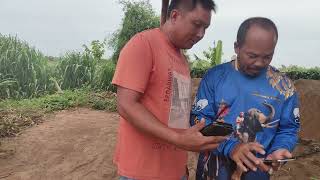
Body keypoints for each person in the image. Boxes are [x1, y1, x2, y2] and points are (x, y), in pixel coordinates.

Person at [112, 0, 228, 179]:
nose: (201, 34)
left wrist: (181, 165)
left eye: (205, 28)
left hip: (174, 172)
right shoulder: (142, 44)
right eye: (197, 25)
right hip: (142, 173)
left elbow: (176, 115)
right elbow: (125, 105)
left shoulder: (182, 59)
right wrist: (178, 139)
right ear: (174, 15)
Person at [190, 17, 300, 180]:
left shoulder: (284, 88)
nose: (259, 63)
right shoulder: (215, 77)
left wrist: (280, 148)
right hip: (212, 172)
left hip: (257, 173)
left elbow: (288, 128)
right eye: (252, 55)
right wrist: (231, 147)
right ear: (237, 47)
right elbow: (199, 120)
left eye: (267, 57)